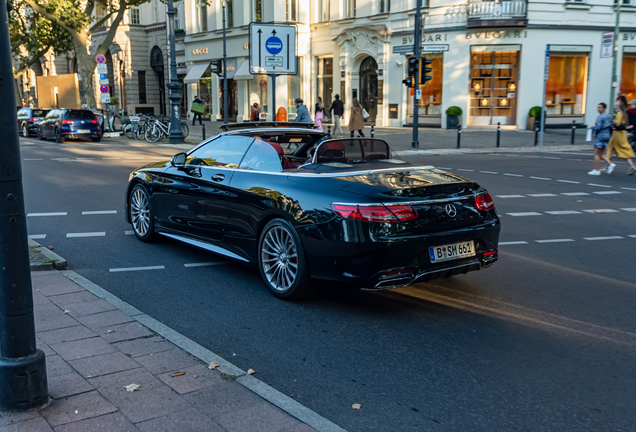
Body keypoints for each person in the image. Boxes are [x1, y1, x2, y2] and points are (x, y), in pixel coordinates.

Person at [607, 97, 636, 175]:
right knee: (623, 151)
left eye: (616, 105)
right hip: (621, 134)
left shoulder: (619, 113)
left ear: (619, 106)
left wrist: (613, 121)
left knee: (610, 148)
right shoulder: (624, 113)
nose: (615, 106)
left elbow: (617, 124)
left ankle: (609, 166)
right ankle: (632, 166)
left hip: (617, 134)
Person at [589, 103, 614, 175]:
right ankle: (610, 164)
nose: (598, 109)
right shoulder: (609, 116)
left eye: (600, 107)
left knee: (596, 154)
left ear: (604, 108)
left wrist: (592, 128)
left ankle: (597, 170)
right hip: (607, 135)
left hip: (600, 136)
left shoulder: (600, 117)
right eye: (598, 107)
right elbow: (611, 125)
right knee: (601, 153)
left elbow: (598, 127)